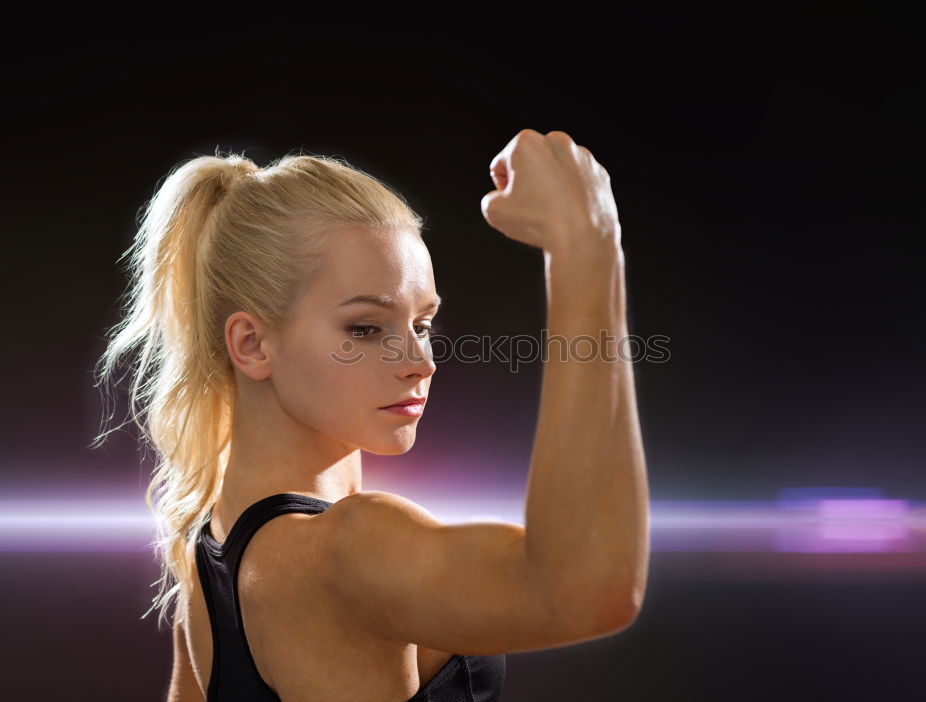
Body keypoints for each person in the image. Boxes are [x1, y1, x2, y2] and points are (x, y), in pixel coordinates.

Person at [91, 128, 649, 701]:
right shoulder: (347, 551)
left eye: (423, 325)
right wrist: (587, 242)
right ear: (253, 344)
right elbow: (581, 590)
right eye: (365, 328)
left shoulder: (204, 562)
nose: (420, 363)